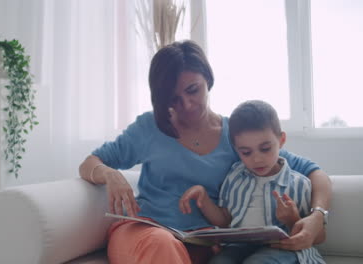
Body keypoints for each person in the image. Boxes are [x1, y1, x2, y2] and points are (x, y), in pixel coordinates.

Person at [79, 40, 331, 264]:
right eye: (173, 98)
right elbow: (90, 163)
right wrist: (108, 174)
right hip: (145, 232)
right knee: (161, 244)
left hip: (202, 243)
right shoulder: (149, 127)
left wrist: (318, 215)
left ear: (208, 80)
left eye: (192, 90)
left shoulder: (237, 135)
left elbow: (314, 173)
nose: (186, 105)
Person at [179, 100, 325, 263]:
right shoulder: (234, 178)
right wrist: (204, 198)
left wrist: (293, 220)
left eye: (265, 149)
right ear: (236, 150)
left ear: (281, 140)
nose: (257, 159)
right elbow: (225, 220)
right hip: (239, 247)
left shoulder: (299, 184)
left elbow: (318, 236)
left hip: (282, 248)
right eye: (246, 152)